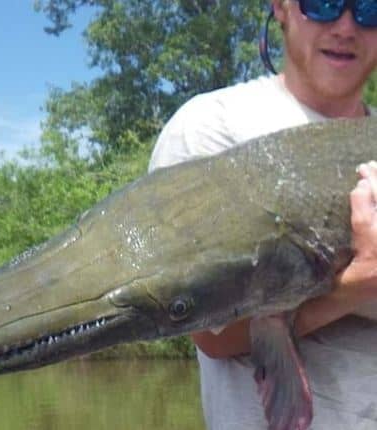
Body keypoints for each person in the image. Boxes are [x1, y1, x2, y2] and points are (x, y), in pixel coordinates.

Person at [148, 0, 377, 428]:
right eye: (324, 3)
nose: (346, 26)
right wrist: (356, 285)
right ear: (282, 7)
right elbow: (209, 333)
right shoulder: (213, 126)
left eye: (369, 8)